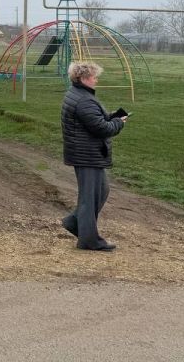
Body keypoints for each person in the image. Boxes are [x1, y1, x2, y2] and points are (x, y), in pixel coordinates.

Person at [60, 61, 127, 251]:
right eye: (94, 76)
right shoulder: (84, 100)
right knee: (89, 198)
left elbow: (94, 119)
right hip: (87, 155)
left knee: (101, 191)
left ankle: (75, 223)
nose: (96, 80)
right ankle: (89, 240)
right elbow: (101, 128)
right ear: (83, 78)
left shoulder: (79, 95)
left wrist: (112, 116)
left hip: (86, 153)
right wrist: (118, 123)